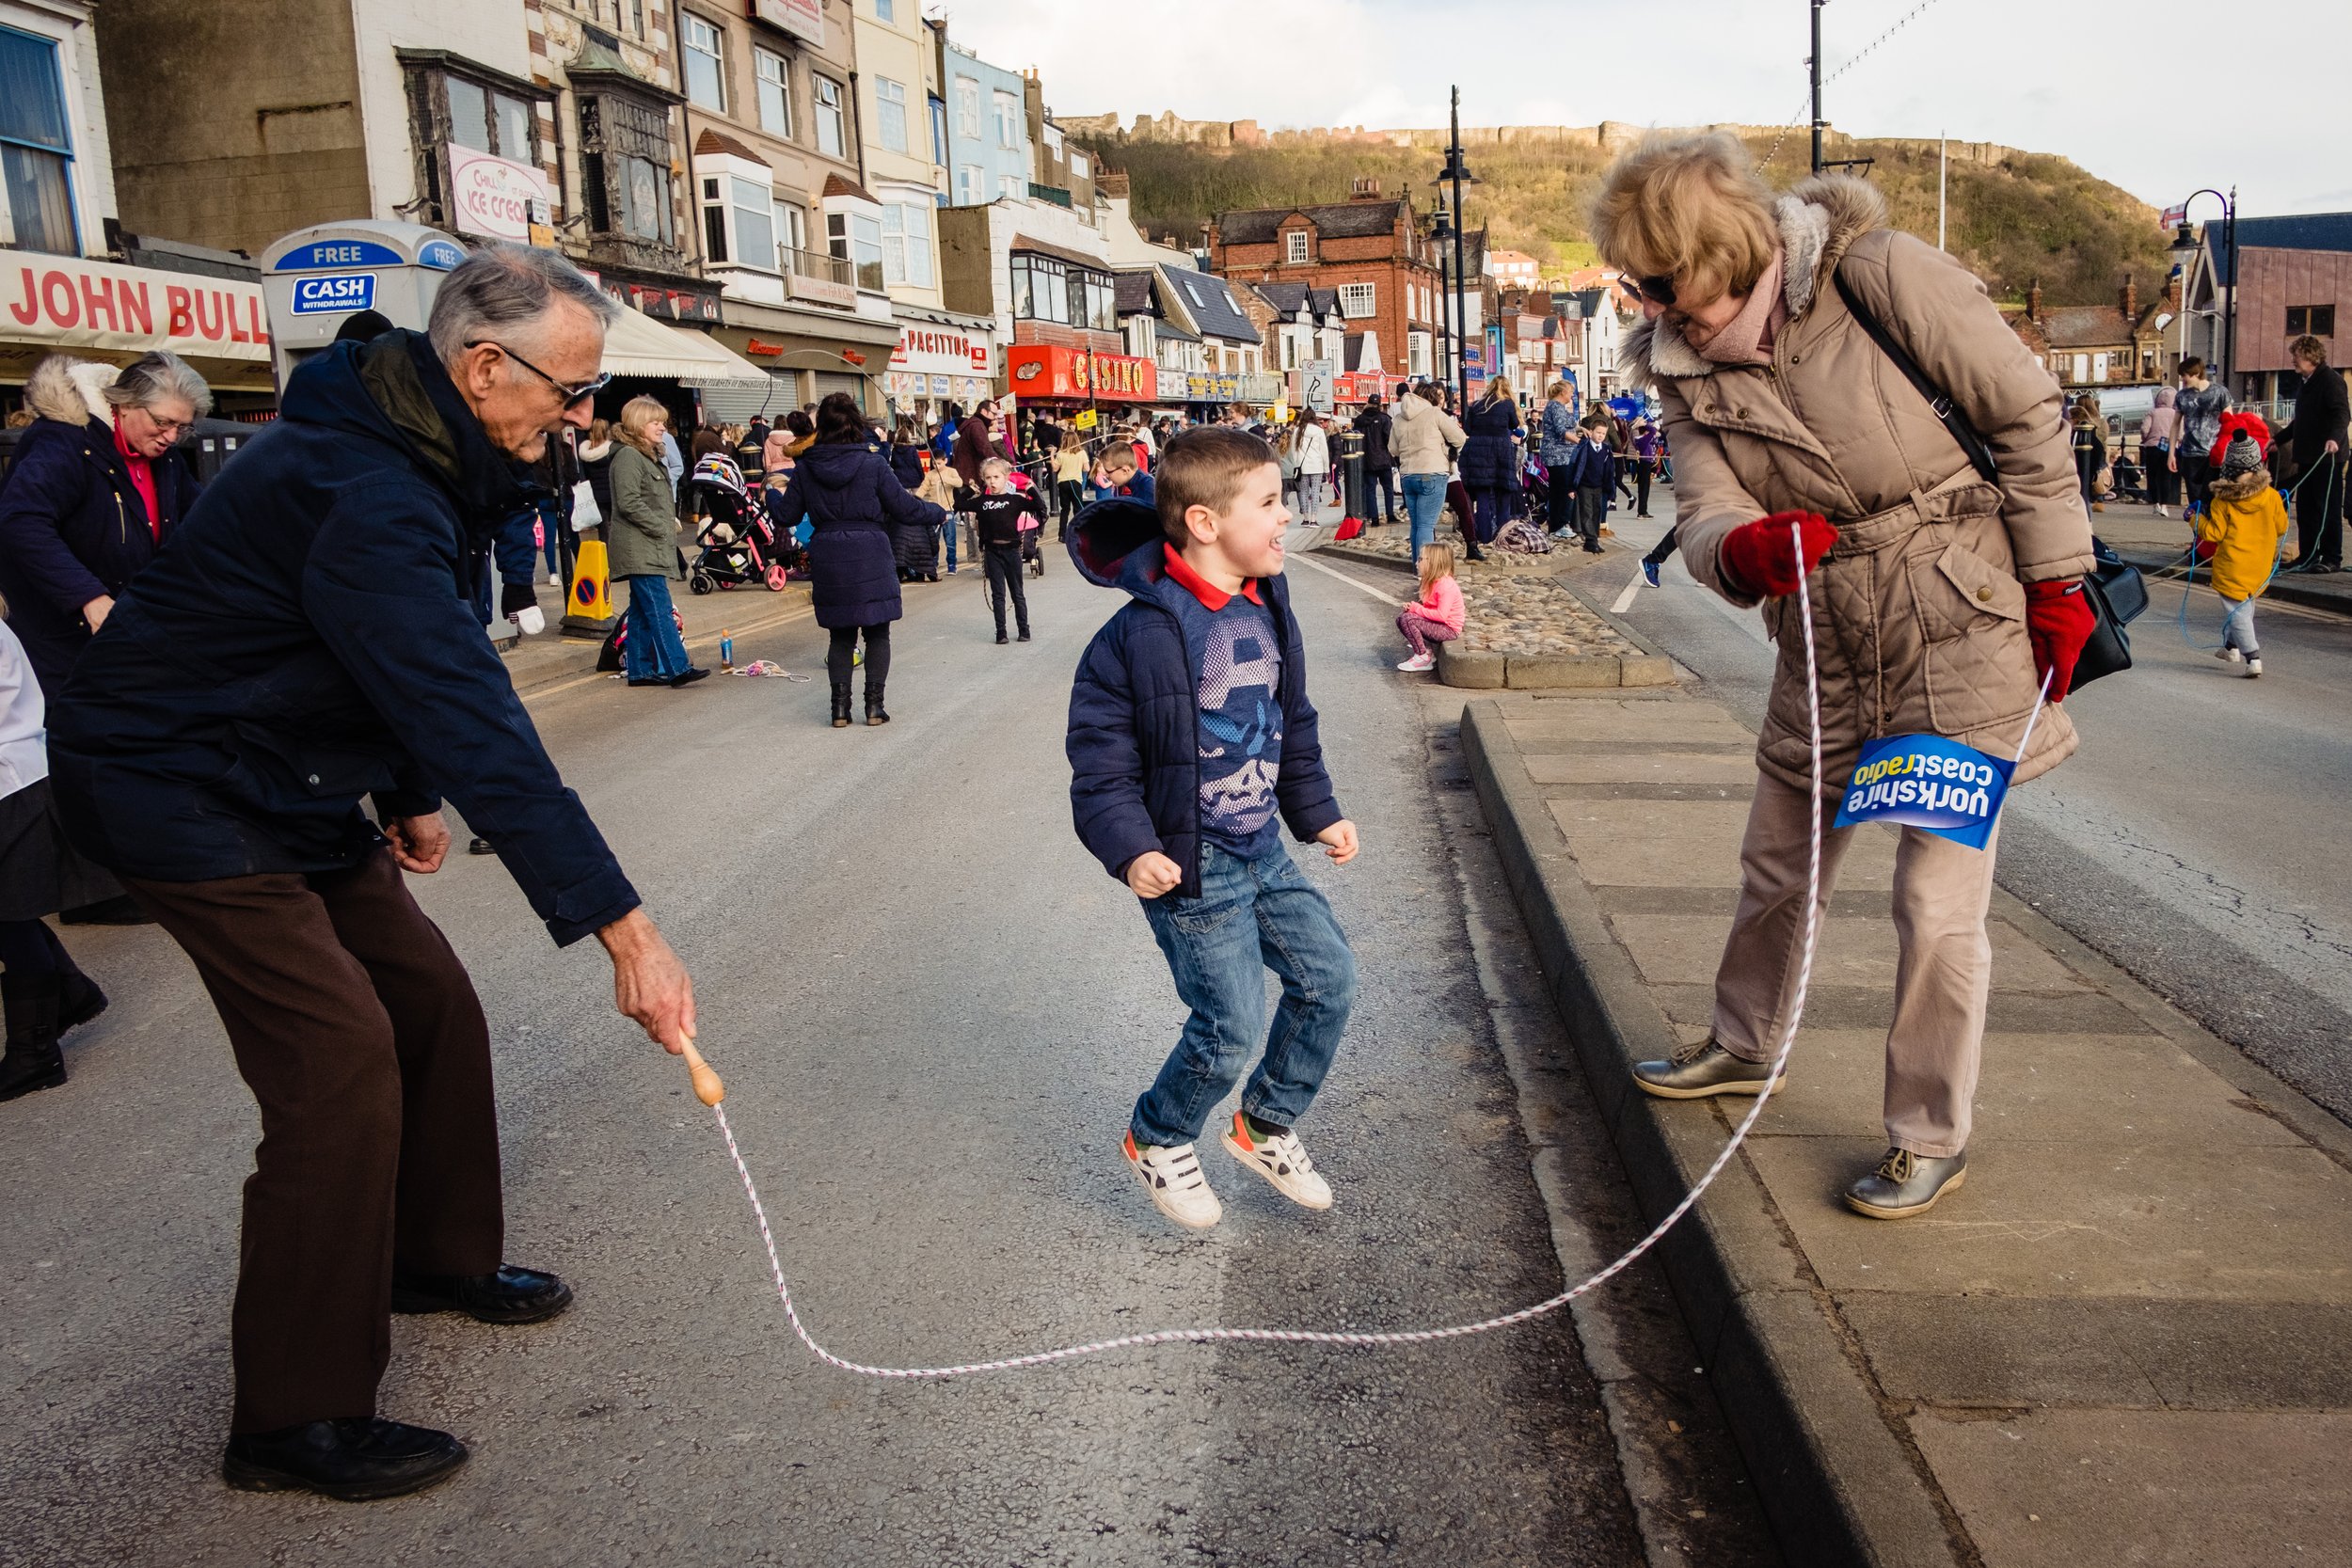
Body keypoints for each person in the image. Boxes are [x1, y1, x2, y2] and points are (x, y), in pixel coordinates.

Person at [45, 243, 699, 1500]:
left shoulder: (431, 447)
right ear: (484, 365)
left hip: (284, 766)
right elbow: (472, 713)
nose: (581, 412)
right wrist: (626, 929)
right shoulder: (364, 484)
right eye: (571, 387)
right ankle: (294, 1414)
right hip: (174, 778)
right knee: (338, 1063)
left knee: (430, 1001)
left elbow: (403, 648)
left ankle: (436, 1255)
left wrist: (398, 794)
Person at [1595, 131, 2095, 1220]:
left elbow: (2023, 415)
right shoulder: (1678, 362)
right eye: (1644, 289)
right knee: (1777, 863)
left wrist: (2058, 577)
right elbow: (1704, 508)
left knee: (1933, 897)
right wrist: (1741, 552)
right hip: (1822, 632)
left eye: (1672, 285)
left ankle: (1928, 1131)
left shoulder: (1880, 276)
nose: (1661, 310)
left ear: (1726, 249)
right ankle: (1742, 1041)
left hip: (1955, 612)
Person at [1065, 427, 1360, 1232]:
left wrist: (1320, 812)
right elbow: (1101, 766)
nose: (1285, 518)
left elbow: (1288, 721)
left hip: (1262, 843)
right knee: (1230, 1023)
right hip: (1191, 862)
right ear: (1204, 522)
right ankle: (1158, 1135)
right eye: (1268, 503)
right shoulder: (1136, 637)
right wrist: (1132, 850)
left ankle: (1263, 1123)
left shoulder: (1269, 602)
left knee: (1329, 978)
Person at [0, 351, 208, 702]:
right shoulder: (66, 442)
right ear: (125, 405)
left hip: (124, 624)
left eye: (183, 427)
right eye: (163, 422)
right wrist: (88, 597)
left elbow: (201, 517)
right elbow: (22, 519)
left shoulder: (165, 456)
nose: (172, 437)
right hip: (56, 632)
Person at [768, 392, 947, 727]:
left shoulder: (806, 467)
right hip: (871, 551)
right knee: (878, 633)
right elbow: (905, 509)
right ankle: (874, 707)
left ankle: (839, 709)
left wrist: (769, 493)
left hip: (828, 553)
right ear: (856, 422)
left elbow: (786, 513)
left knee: (840, 636)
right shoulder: (873, 463)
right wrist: (938, 512)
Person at [0, 616, 113, 1101]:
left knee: (9, 912)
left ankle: (35, 1053)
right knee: (9, 910)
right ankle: (67, 990)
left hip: (12, 778)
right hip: (18, 774)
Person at [608, 398, 707, 689]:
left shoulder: (647, 455)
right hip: (639, 546)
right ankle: (678, 667)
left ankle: (639, 670)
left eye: (662, 421)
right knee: (660, 608)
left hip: (647, 545)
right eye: (656, 422)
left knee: (640, 610)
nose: (662, 427)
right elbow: (628, 502)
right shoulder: (629, 456)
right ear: (638, 425)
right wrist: (660, 527)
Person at [2197, 431, 2294, 676]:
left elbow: (2214, 533)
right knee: (2243, 606)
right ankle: (2230, 648)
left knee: (2236, 609)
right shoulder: (2271, 496)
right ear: (2257, 465)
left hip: (2233, 565)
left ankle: (2253, 656)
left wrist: (2194, 520)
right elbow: (2282, 527)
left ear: (2228, 468)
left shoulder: (2222, 502)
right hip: (2260, 565)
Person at [2275, 334, 2347, 573]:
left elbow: (2341, 414)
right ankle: (2308, 554)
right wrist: (2277, 440)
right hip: (2306, 456)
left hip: (2327, 456)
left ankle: (2332, 557)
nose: (2293, 360)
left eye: (2296, 356)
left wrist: (2334, 439)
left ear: (2309, 356)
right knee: (2306, 509)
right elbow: (2300, 422)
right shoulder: (2306, 382)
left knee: (2326, 506)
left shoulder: (2331, 380)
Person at [1391, 381, 1466, 565]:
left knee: (1416, 525)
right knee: (1426, 525)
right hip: (1432, 472)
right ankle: (1425, 570)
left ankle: (1418, 565)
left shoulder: (1399, 418)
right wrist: (1447, 451)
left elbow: (1393, 449)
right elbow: (1459, 438)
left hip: (1408, 475)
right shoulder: (1434, 413)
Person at [971, 457, 1041, 643]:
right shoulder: (982, 501)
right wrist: (971, 490)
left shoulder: (1015, 500)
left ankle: (1023, 630)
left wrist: (1030, 488)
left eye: (996, 476)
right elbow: (958, 505)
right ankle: (1000, 632)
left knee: (1017, 592)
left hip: (1011, 550)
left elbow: (1040, 506)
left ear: (1006, 478)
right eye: (988, 478)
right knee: (998, 594)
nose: (992, 481)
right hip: (992, 551)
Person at [1459, 377, 1520, 546]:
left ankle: (1484, 538)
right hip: (1500, 451)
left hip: (1477, 451)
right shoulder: (1507, 404)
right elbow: (1514, 424)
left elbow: (1468, 429)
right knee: (1503, 496)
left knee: (1482, 498)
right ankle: (1501, 537)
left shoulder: (1476, 405)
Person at [1395, 540, 1465, 673]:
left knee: (1408, 620)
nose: (1417, 563)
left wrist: (1416, 609)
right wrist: (1414, 609)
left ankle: (1422, 657)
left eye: (1421, 559)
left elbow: (1441, 616)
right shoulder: (1434, 582)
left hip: (1449, 630)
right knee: (1402, 618)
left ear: (1433, 563)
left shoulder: (1446, 586)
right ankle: (1425, 650)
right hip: (1440, 626)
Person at [2172, 358, 2229, 515]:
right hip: (2190, 454)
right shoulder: (2182, 396)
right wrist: (2172, 453)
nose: (2182, 379)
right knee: (2195, 500)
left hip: (2214, 454)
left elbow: (2230, 422)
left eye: (2185, 375)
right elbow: (2175, 424)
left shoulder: (2219, 392)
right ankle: (2199, 537)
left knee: (2214, 498)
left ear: (2196, 373)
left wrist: (2226, 448)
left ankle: (2214, 536)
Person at [1561, 413, 1615, 552]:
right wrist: (1571, 488)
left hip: (1599, 486)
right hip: (1584, 485)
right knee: (1587, 513)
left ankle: (1593, 539)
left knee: (1597, 513)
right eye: (1598, 432)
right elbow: (1573, 467)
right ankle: (1590, 540)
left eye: (1603, 433)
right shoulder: (1583, 447)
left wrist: (1611, 491)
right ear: (1591, 432)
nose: (1600, 436)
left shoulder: (1606, 449)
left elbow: (1610, 470)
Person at [1536, 380, 1580, 538]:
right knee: (1566, 489)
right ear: (1563, 392)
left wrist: (1581, 429)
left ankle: (1555, 526)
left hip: (1556, 454)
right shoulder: (1556, 407)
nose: (1572, 394)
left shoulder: (1556, 407)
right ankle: (1561, 524)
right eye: (1570, 391)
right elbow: (1561, 431)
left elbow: (1567, 426)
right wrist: (1579, 442)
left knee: (1555, 490)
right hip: (1559, 454)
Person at [1353, 394, 1396, 525]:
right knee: (1388, 488)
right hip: (1383, 459)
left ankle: (1374, 518)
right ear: (1380, 405)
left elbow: (1355, 439)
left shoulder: (1359, 420)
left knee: (1370, 489)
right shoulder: (1385, 419)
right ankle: (1390, 515)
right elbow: (1389, 438)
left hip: (1366, 460)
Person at [2141, 387, 2180, 517]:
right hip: (2169, 447)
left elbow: (2145, 429)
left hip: (2153, 447)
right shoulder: (2176, 413)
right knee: (2166, 477)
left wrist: (2146, 439)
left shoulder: (2152, 413)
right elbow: (2181, 433)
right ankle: (2164, 505)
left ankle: (2155, 503)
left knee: (2152, 476)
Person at [2068, 401, 2107, 515]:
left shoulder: (2081, 435)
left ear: (2075, 420)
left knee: (2084, 501)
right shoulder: (2092, 433)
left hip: (2084, 474)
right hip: (2087, 473)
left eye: (2069, 419)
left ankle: (2087, 523)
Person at [1294, 408, 1332, 518]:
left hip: (1302, 466)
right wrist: (1326, 469)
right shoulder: (1319, 431)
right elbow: (1324, 451)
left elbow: (1293, 450)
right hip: (1317, 466)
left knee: (1303, 492)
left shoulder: (1297, 431)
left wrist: (1296, 464)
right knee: (1315, 492)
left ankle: (1305, 518)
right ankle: (1314, 518)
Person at [1052, 431, 1089, 538]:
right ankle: (1078, 532)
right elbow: (1087, 468)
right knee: (1078, 508)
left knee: (1065, 509)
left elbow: (1055, 468)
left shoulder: (1060, 453)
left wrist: (1051, 455)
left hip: (1063, 482)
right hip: (1075, 481)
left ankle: (1062, 534)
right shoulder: (1081, 453)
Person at [1094, 442, 1155, 507]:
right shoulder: (1141, 484)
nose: (1106, 476)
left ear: (1125, 470)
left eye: (1109, 472)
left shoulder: (1146, 489)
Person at [1631, 418, 1661, 516]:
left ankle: (1642, 511)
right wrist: (1643, 424)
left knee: (1644, 489)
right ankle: (1642, 512)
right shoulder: (1641, 439)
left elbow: (1656, 434)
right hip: (1644, 464)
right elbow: (1653, 431)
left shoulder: (1643, 439)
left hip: (1647, 464)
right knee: (1644, 489)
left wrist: (1643, 424)